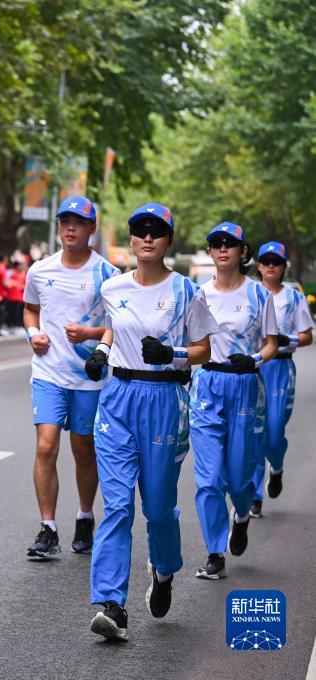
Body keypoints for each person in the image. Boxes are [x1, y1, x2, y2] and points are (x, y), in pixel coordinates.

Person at [82, 202, 218, 641]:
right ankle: (111, 603)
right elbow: (112, 327)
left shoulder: (186, 291)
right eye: (139, 230)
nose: (146, 238)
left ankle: (163, 572)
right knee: (118, 506)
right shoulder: (112, 286)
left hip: (165, 399)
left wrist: (172, 354)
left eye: (155, 231)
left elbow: (204, 350)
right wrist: (102, 354)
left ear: (168, 240)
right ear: (132, 237)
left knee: (157, 508)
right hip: (118, 399)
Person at [22, 197, 118, 559]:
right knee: (46, 446)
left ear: (92, 228)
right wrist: (33, 336)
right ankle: (48, 527)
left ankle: (84, 515)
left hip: (89, 377)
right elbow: (30, 311)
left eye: (79, 222)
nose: (71, 228)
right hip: (49, 372)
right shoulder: (40, 270)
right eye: (65, 221)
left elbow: (116, 326)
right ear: (59, 226)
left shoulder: (108, 275)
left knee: (84, 449)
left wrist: (91, 336)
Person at [190, 223, 277, 580]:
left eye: (230, 244)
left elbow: (271, 342)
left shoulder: (259, 296)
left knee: (240, 479)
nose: (222, 248)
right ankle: (214, 551)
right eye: (216, 243)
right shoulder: (198, 294)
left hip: (244, 385)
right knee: (209, 479)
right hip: (207, 385)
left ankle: (240, 516)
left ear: (243, 251)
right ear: (210, 252)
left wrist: (254, 360)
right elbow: (191, 343)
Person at [249, 241, 313, 517]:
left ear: (284, 266)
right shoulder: (250, 294)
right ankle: (254, 495)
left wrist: (285, 340)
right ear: (259, 265)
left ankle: (276, 466)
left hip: (281, 370)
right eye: (266, 261)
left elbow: (306, 336)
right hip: (254, 369)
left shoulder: (294, 298)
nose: (271, 266)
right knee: (254, 434)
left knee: (274, 432)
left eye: (277, 262)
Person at [6, 259, 27, 333]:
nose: (21, 267)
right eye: (20, 266)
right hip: (11, 297)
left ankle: (17, 326)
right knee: (12, 313)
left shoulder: (21, 274)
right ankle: (11, 327)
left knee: (18, 313)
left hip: (19, 297)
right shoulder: (11, 272)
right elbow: (6, 281)